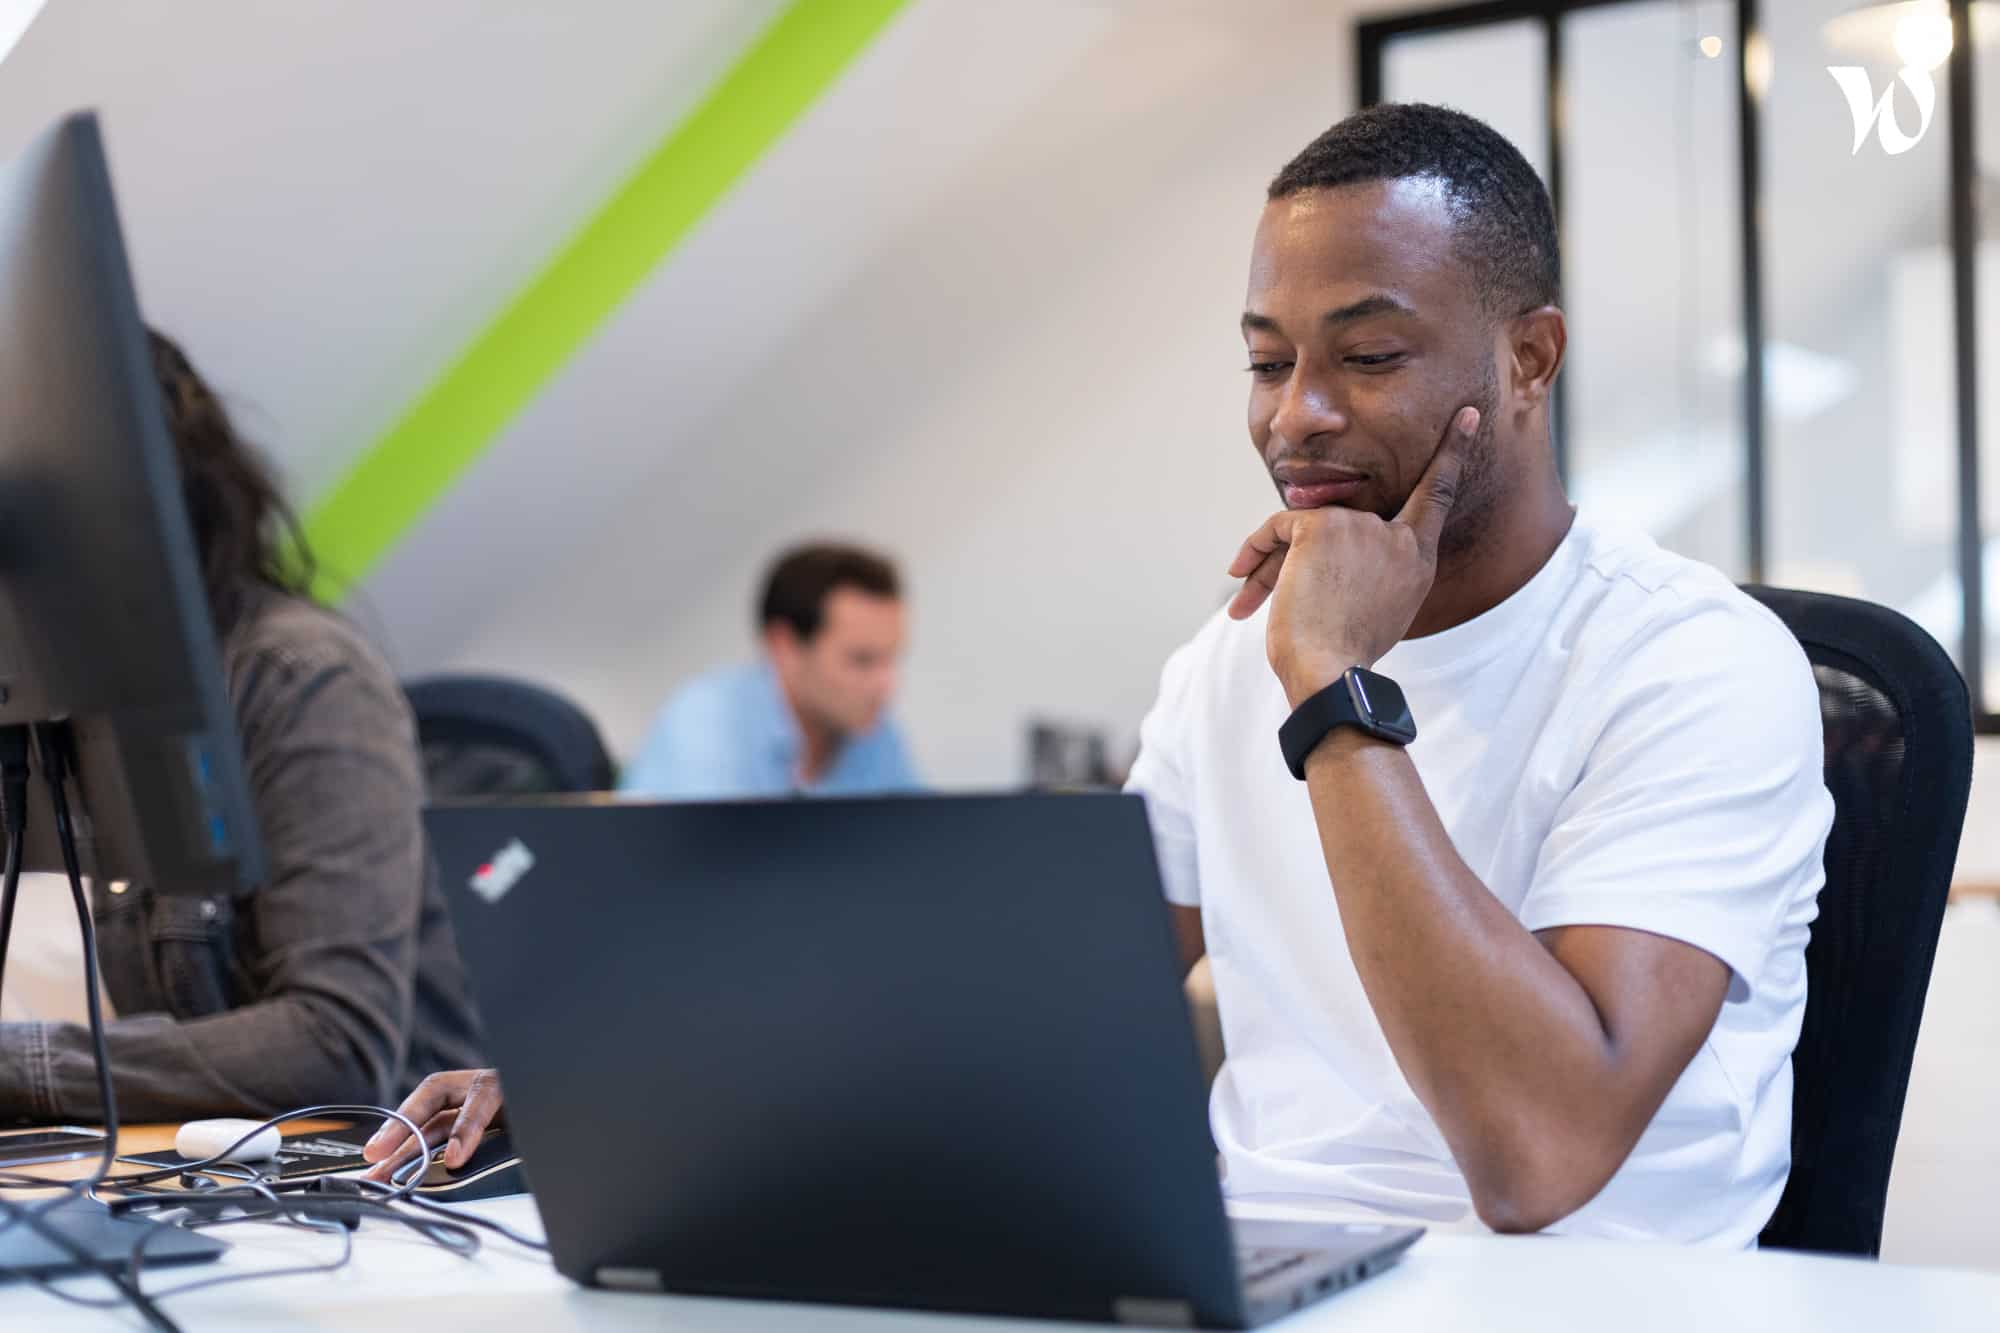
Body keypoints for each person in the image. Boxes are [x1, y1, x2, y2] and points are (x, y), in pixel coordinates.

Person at [367, 103, 1833, 1250]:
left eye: (1368, 356)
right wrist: (630, 1073)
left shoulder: (1694, 666)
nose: (1300, 418)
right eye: (1267, 363)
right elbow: (1020, 992)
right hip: (1261, 1271)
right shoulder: (1222, 668)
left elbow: (1538, 1158)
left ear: (1529, 361)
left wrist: (1331, 689)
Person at [0, 331, 484, 1121]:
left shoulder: (302, 678)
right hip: (203, 1177)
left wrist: (25, 1067)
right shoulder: (55, 694)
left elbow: (336, 1043)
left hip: (383, 1192)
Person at [617, 542, 920, 799]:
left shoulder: (875, 733)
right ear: (783, 646)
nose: (886, 684)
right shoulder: (705, 726)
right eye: (862, 660)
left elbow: (923, 851)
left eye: (891, 659)